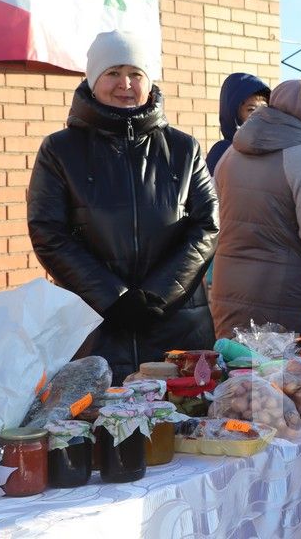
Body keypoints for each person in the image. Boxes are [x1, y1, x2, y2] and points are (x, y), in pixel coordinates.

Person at [27, 30, 219, 385]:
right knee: (102, 432)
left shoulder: (183, 149)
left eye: (136, 73)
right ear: (93, 79)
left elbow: (206, 227)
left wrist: (157, 296)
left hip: (178, 329)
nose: (125, 84)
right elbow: (48, 232)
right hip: (95, 329)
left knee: (184, 427)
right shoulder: (60, 151)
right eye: (112, 73)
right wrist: (113, 299)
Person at [210, 79, 301, 337]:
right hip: (288, 297)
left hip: (227, 289)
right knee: (286, 375)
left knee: (236, 373)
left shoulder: (230, 154)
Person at [205, 72, 271, 176]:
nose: (260, 114)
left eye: (264, 108)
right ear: (234, 115)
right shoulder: (223, 152)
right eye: (251, 109)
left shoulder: (273, 148)